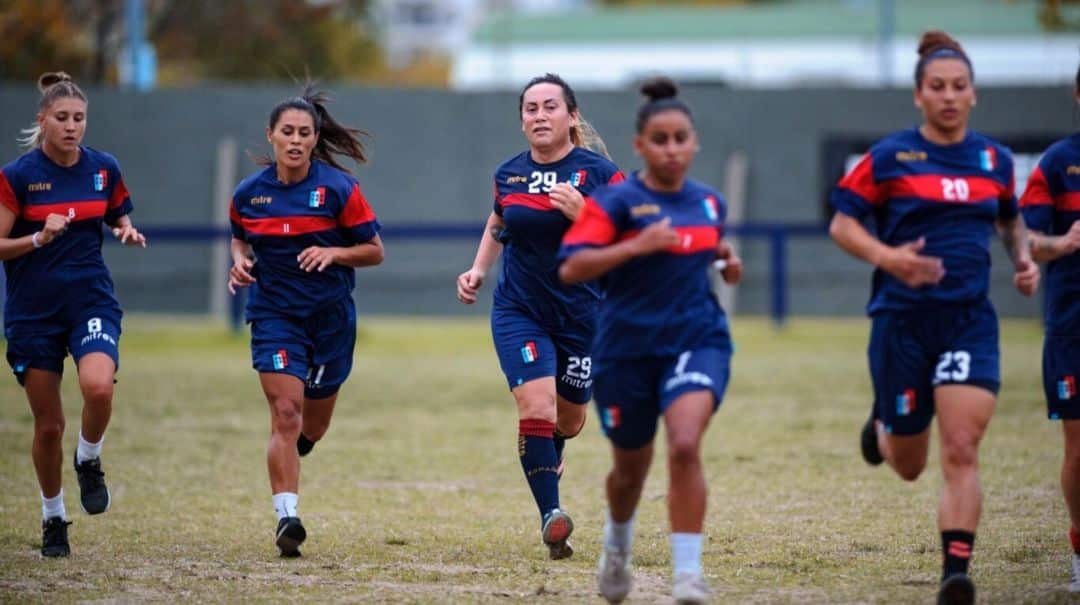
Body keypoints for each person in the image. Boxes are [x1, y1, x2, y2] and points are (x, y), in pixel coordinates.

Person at [828, 31, 1039, 605]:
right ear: (919, 96)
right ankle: (883, 427)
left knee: (962, 448)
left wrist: (1023, 258)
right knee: (909, 465)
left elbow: (1009, 219)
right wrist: (889, 257)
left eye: (960, 87)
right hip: (902, 322)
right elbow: (843, 224)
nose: (949, 96)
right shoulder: (891, 156)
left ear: (974, 95)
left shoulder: (993, 159)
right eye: (937, 87)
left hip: (969, 319)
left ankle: (956, 570)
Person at [558, 76, 742, 604]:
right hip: (627, 349)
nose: (671, 149)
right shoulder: (616, 203)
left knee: (685, 444)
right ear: (640, 145)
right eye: (659, 140)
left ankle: (688, 575)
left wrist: (726, 262)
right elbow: (572, 266)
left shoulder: (709, 203)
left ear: (694, 141)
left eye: (680, 138)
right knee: (629, 471)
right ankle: (617, 545)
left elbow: (708, 248)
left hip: (695, 338)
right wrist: (636, 245)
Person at [455, 73, 624, 560]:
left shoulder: (600, 174)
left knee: (568, 421)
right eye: (531, 108)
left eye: (551, 106)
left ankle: (553, 450)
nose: (540, 115)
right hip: (519, 310)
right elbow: (499, 220)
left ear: (572, 117)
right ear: (522, 120)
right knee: (536, 408)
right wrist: (478, 269)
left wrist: (586, 214)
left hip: (582, 314)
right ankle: (552, 515)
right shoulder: (508, 173)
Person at [228, 84, 383, 557]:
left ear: (315, 139)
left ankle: (304, 446)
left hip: (331, 319)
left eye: (304, 133)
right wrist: (239, 260)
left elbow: (375, 251)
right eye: (287, 132)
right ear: (271, 135)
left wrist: (335, 251)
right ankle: (287, 517)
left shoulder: (338, 189)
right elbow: (239, 238)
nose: (295, 140)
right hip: (275, 316)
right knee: (286, 415)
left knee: (312, 425)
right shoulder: (249, 195)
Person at [0, 72, 147, 558]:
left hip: (91, 300)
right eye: (61, 118)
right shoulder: (18, 176)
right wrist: (38, 237)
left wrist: (125, 230)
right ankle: (53, 516)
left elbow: (116, 213)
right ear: (42, 120)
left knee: (99, 387)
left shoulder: (104, 168)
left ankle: (89, 459)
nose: (71, 127)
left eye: (79, 118)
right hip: (33, 314)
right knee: (48, 427)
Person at [1018, 64, 1080, 593]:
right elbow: (1026, 240)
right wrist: (1062, 244)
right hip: (1072, 327)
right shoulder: (1059, 164)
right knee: (1078, 447)